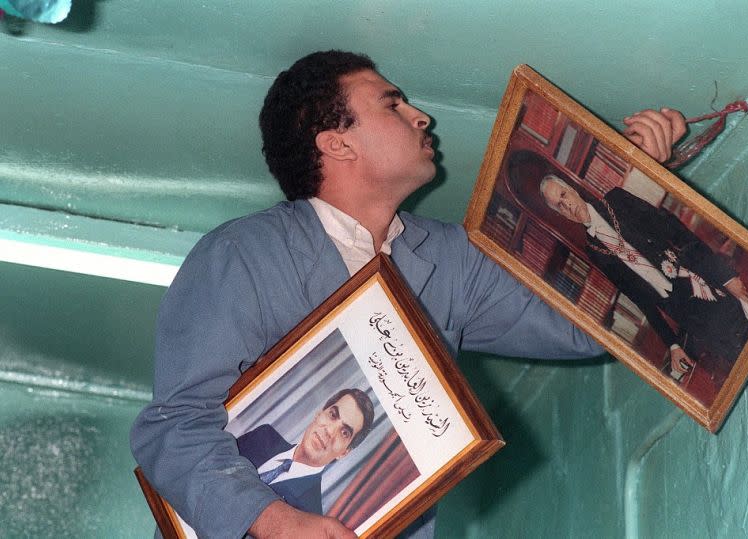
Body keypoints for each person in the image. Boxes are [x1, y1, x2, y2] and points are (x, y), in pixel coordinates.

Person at [130, 50, 683, 538]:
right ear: (336, 142)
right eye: (391, 105)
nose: (422, 116)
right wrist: (273, 523)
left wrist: (637, 191)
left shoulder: (452, 261)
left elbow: (584, 328)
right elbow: (174, 425)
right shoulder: (243, 254)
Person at [539, 175, 748, 381]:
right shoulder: (593, 250)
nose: (566, 205)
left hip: (699, 281)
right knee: (743, 364)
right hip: (681, 312)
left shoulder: (617, 200)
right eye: (559, 205)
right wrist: (672, 344)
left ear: (573, 189)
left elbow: (676, 231)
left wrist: (725, 276)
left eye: (564, 195)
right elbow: (640, 299)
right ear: (560, 214)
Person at [236, 389, 374, 517]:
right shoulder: (263, 436)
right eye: (332, 415)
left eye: (344, 432)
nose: (330, 431)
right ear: (319, 414)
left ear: (344, 453)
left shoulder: (309, 516)